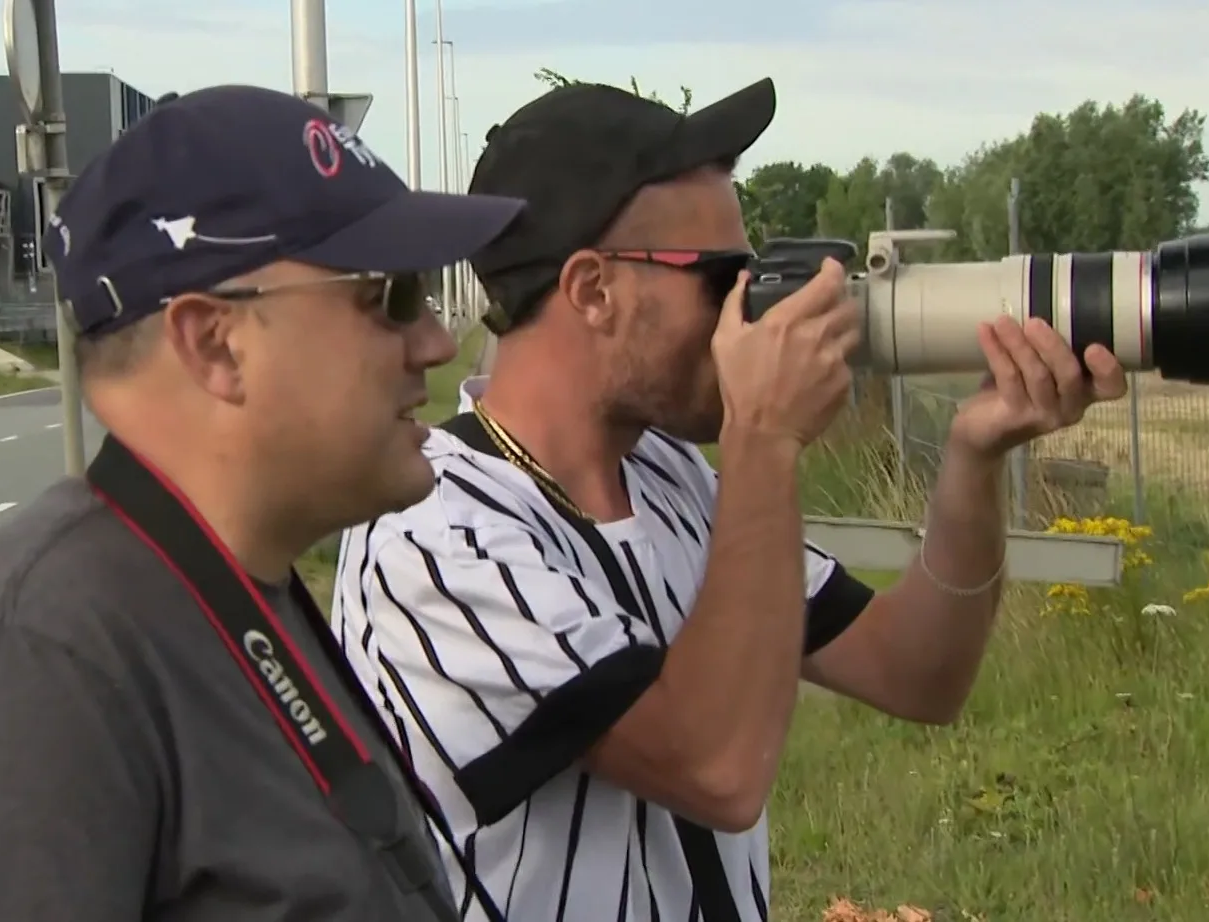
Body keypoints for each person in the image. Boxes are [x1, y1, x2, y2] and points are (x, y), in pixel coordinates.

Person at [329, 78, 1129, 921]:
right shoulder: (436, 540)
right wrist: (764, 439)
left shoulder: (671, 478)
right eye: (722, 279)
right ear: (592, 289)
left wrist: (975, 452)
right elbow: (715, 765)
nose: (746, 311)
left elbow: (918, 673)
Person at [0, 84, 524, 922]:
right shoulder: (31, 671)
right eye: (389, 296)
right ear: (216, 344)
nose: (434, 340)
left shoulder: (237, 588)